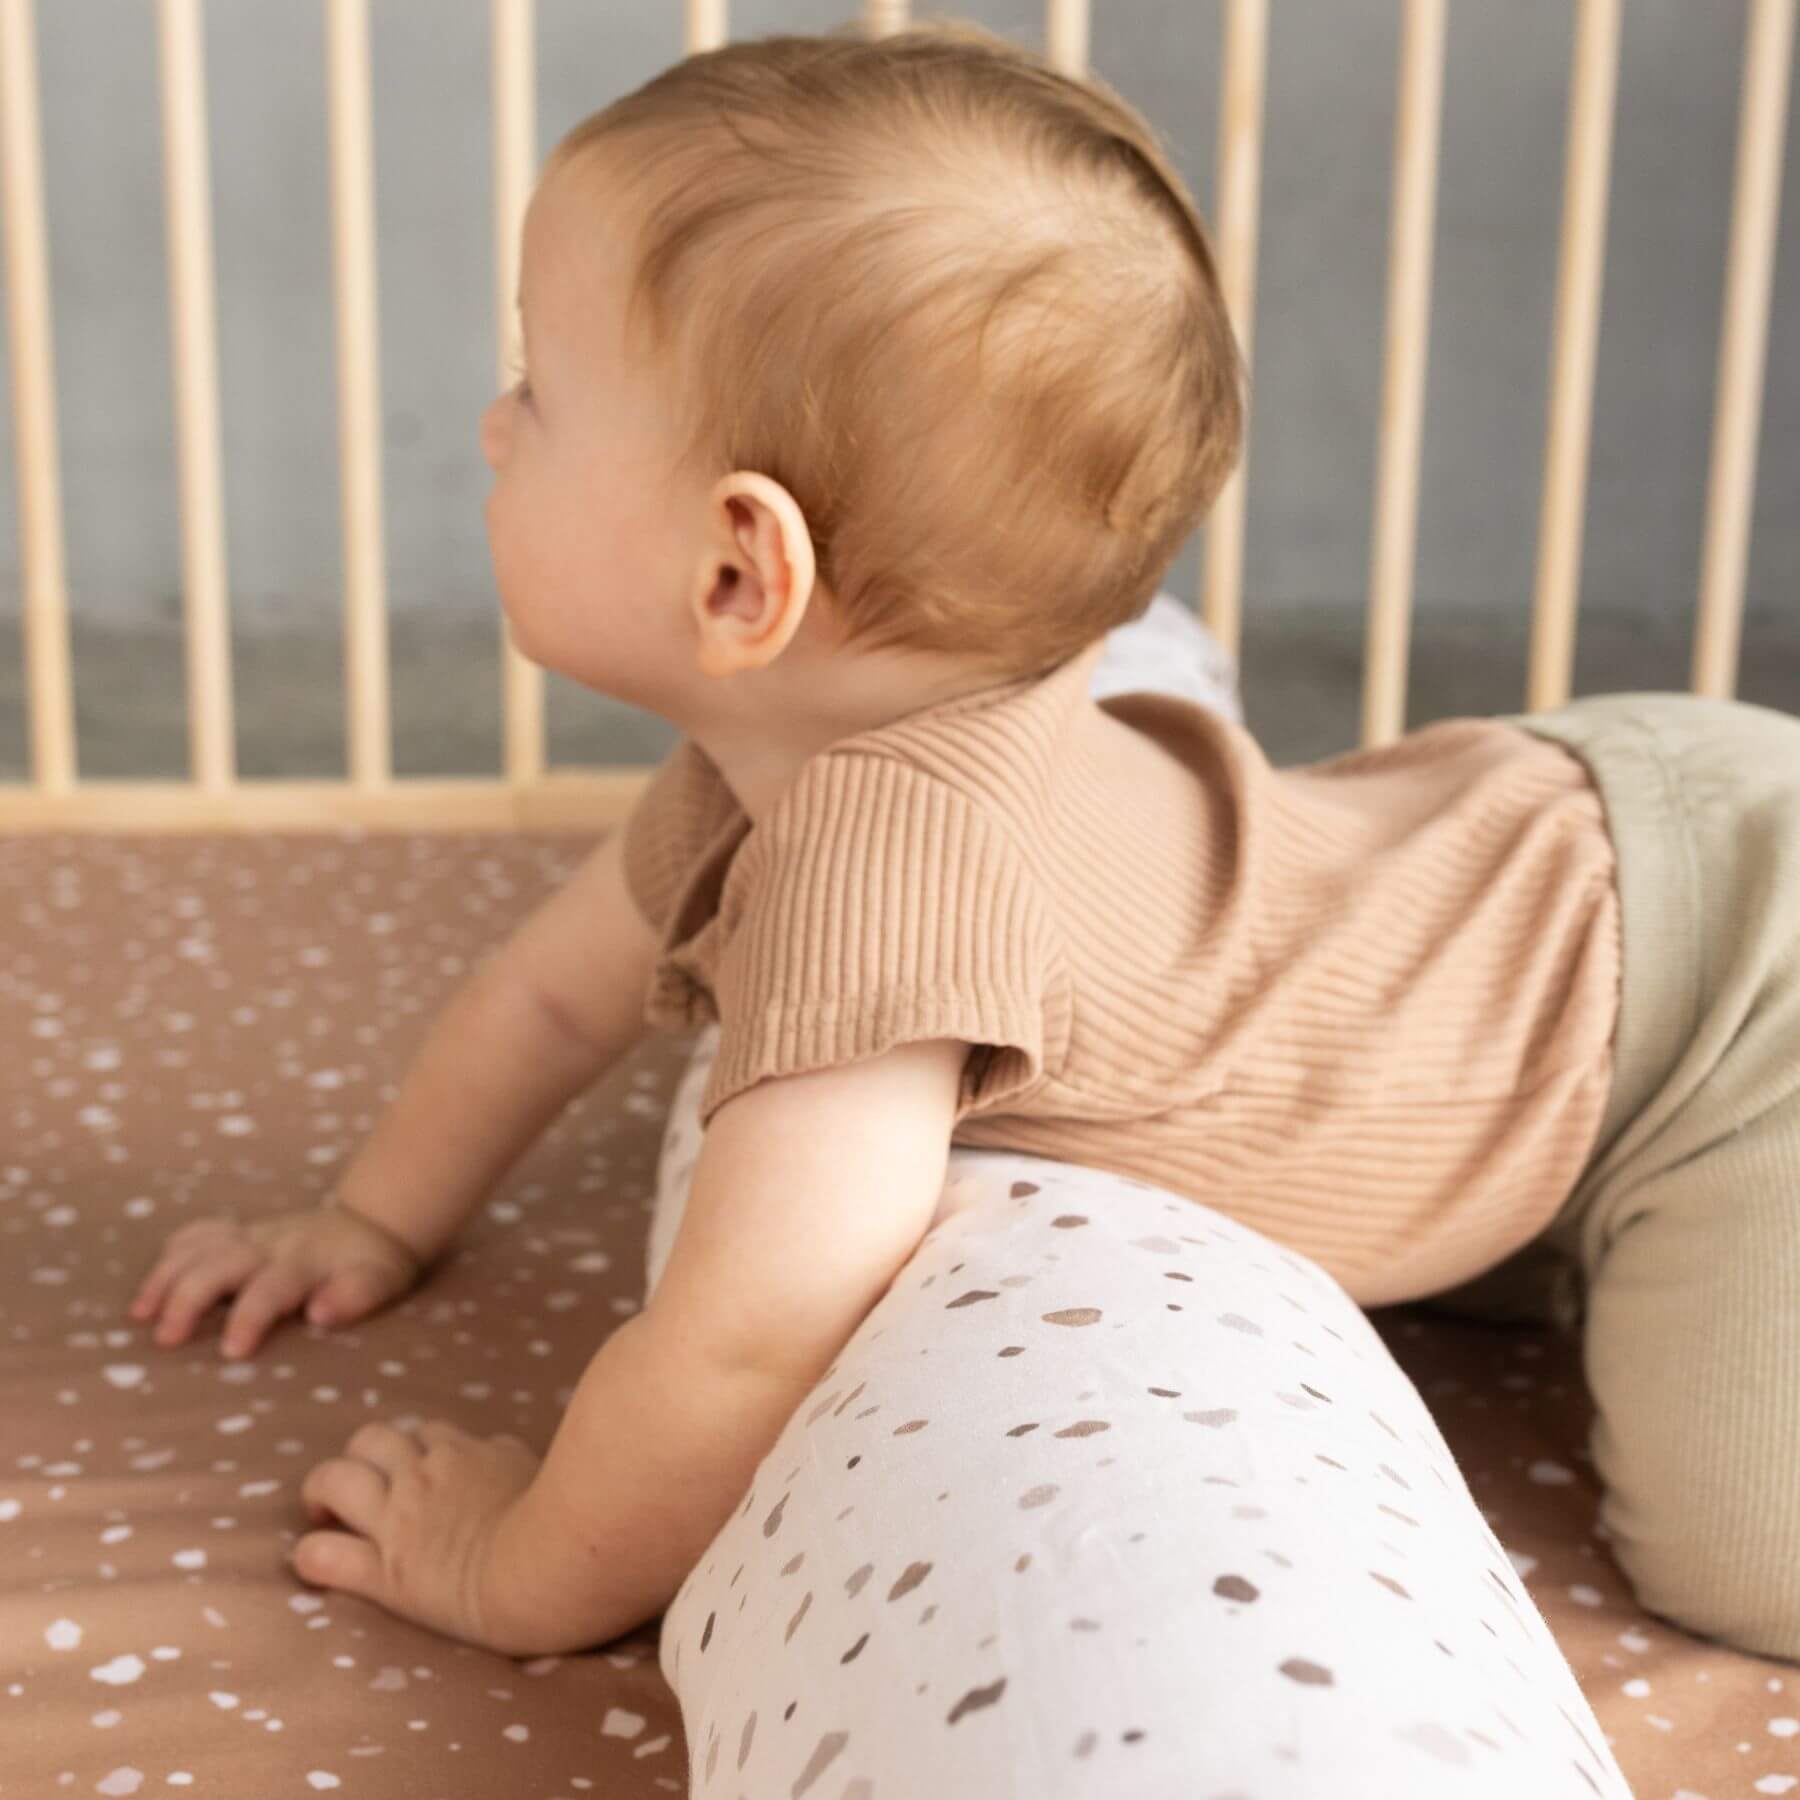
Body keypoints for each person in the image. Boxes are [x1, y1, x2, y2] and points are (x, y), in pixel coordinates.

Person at [125, 16, 1800, 1751]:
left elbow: (740, 1344)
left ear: (738, 571)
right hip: (1572, 858)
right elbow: (555, 995)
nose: (489, 422)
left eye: (538, 386)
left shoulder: (889, 884)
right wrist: (372, 1217)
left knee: (1750, 1556)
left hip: (1727, 995)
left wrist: (521, 1569)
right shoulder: (773, 763)